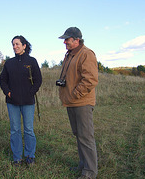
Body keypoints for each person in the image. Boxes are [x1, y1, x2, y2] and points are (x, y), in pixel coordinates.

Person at [57, 27, 98, 179]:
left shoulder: (86, 54)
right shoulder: (70, 55)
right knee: (79, 135)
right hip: (72, 102)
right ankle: (83, 165)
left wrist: (75, 94)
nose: (65, 42)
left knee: (86, 137)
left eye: (67, 39)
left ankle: (90, 172)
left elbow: (91, 80)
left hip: (82, 103)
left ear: (77, 40)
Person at [0, 35, 42, 167]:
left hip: (28, 102)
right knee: (15, 130)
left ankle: (30, 156)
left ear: (24, 45)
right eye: (13, 44)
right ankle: (17, 157)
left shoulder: (32, 61)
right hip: (12, 102)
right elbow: (2, 80)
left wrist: (30, 92)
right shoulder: (9, 63)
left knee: (28, 129)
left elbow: (38, 80)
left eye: (17, 44)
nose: (15, 47)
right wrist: (8, 92)